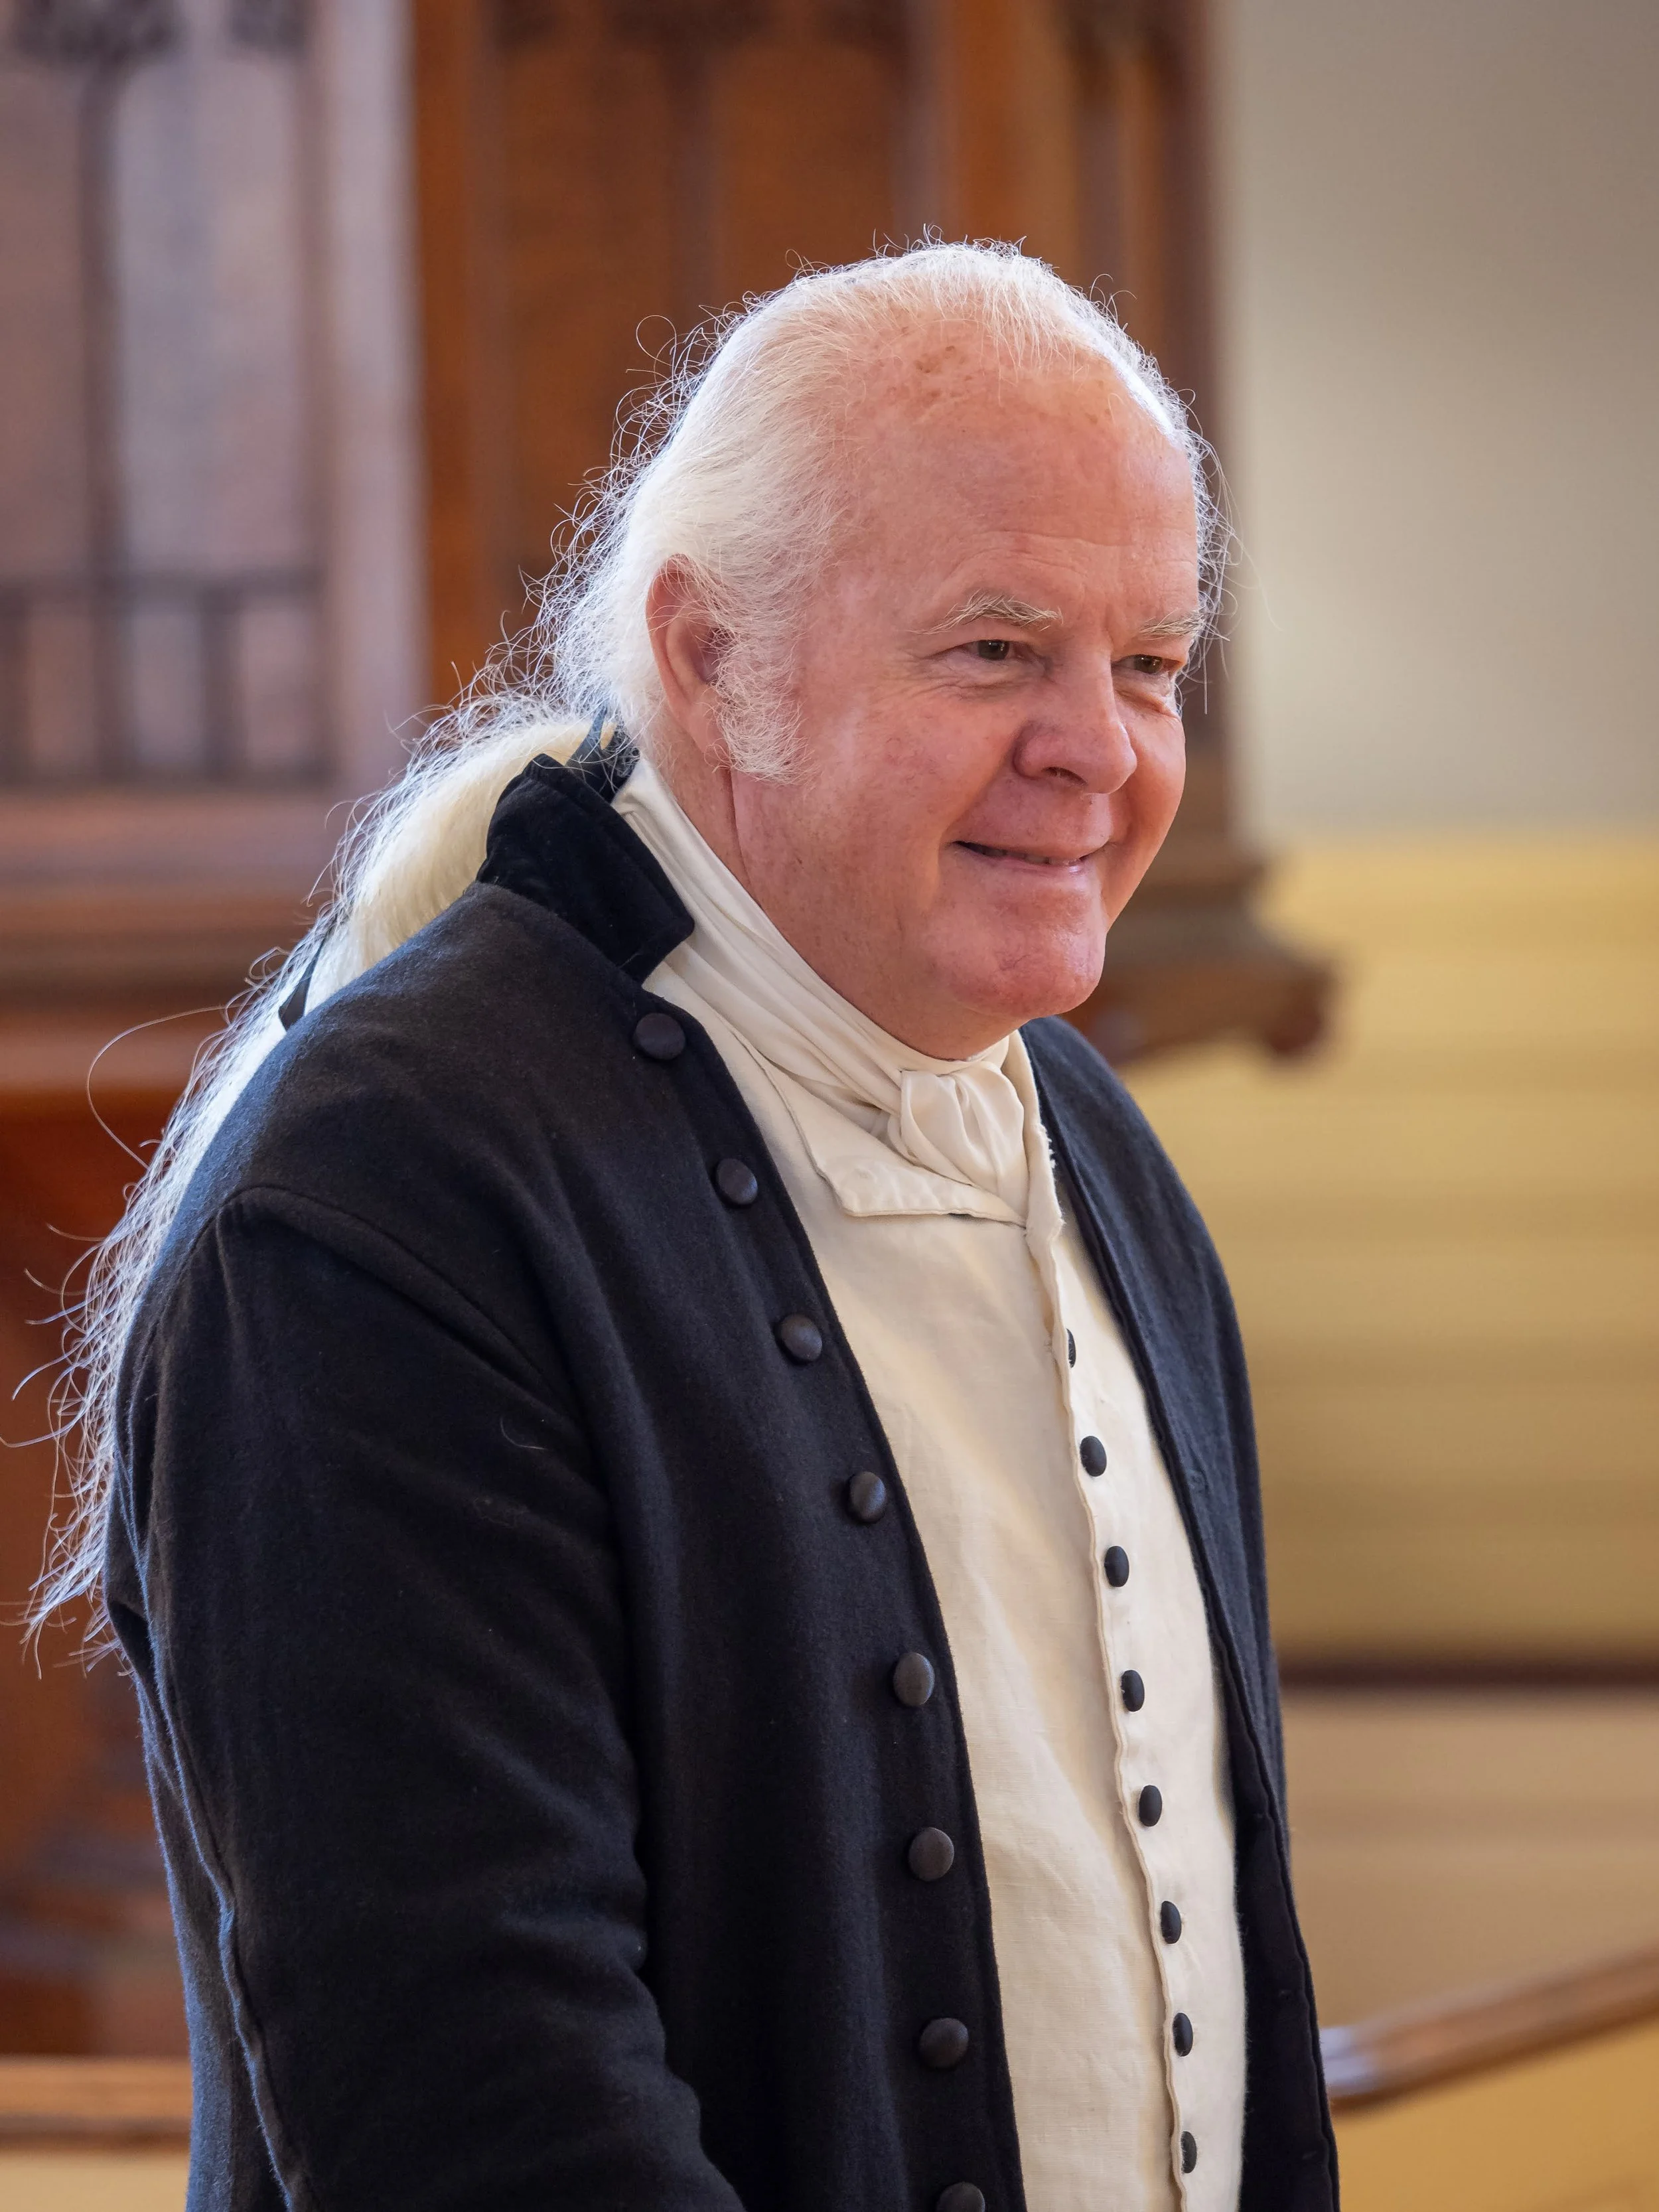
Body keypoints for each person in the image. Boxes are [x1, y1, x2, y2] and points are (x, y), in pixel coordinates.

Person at [56, 243, 1334, 2211]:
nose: (1098, 746)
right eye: (995, 649)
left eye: (1151, 662)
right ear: (710, 656)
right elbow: (478, 2104)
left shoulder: (1092, 1134)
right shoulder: (382, 1198)